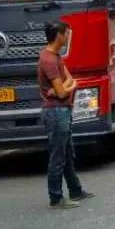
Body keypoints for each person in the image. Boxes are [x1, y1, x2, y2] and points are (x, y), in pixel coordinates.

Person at [38, 21, 94, 209]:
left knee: (68, 153)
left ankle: (75, 189)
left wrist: (65, 87)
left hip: (61, 110)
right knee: (58, 156)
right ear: (59, 35)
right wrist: (70, 87)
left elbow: (68, 80)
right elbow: (63, 91)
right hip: (55, 111)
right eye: (67, 34)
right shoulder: (49, 60)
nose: (69, 37)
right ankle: (56, 197)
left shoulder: (55, 57)